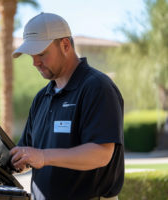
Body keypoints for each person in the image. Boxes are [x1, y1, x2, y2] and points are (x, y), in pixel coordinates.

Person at [10, 12, 124, 200]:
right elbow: (28, 155)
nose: (35, 62)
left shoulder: (97, 88)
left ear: (65, 45)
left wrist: (44, 156)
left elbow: (101, 154)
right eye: (32, 55)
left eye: (41, 53)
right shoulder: (41, 97)